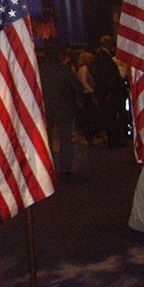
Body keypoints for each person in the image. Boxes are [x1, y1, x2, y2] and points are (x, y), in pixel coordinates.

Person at [39, 43, 83, 181]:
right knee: (65, 140)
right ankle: (66, 168)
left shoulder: (40, 70)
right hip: (64, 108)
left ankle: (49, 166)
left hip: (47, 109)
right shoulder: (64, 70)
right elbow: (77, 87)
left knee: (47, 141)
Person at [92, 36, 127, 147]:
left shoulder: (102, 56)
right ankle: (113, 140)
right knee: (111, 117)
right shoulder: (103, 57)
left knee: (111, 116)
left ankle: (114, 139)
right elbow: (106, 76)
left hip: (108, 92)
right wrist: (108, 92)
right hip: (108, 92)